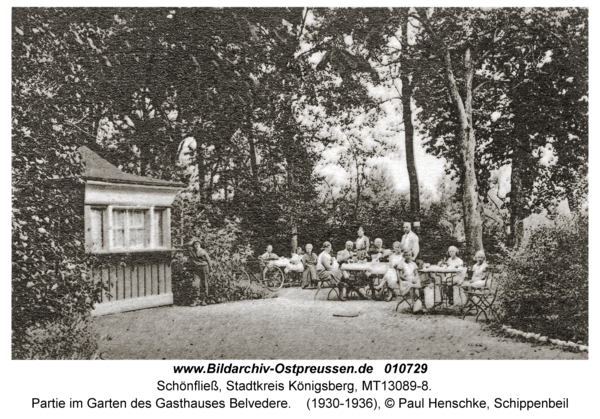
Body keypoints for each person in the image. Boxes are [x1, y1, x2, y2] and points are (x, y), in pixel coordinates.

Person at [187, 237, 213, 305]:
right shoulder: (192, 251)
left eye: (198, 244)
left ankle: (203, 300)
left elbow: (209, 261)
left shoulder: (203, 252)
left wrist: (211, 270)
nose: (196, 245)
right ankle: (195, 300)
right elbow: (187, 246)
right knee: (195, 284)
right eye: (195, 244)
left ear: (200, 244)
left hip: (204, 268)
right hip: (196, 269)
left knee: (204, 284)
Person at [397, 248, 423, 312]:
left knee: (418, 285)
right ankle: (413, 302)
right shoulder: (401, 264)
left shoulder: (413, 264)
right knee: (411, 286)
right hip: (404, 281)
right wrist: (408, 279)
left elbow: (416, 274)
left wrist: (415, 279)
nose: (408, 257)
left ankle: (419, 304)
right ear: (404, 256)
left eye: (409, 255)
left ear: (412, 256)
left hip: (413, 279)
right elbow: (400, 275)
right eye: (406, 255)